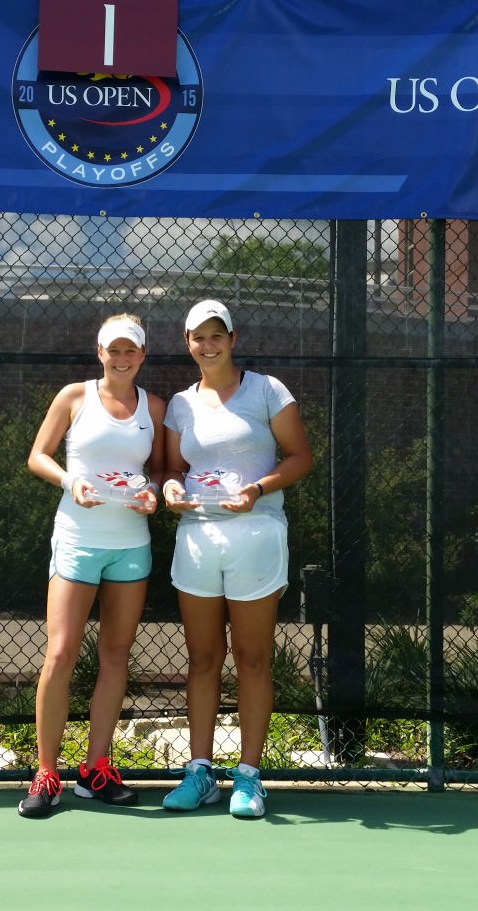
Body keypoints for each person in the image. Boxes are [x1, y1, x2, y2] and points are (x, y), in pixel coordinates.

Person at [161, 299, 313, 819]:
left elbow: (300, 456)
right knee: (202, 660)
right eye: (198, 338)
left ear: (232, 337)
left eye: (216, 335)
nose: (208, 345)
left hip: (257, 534)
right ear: (188, 344)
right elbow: (170, 469)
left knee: (252, 659)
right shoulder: (181, 404)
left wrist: (258, 489)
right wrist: (173, 488)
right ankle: (199, 772)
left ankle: (249, 777)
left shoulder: (268, 390)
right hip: (198, 538)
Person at [18, 313, 165, 818]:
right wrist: (68, 482)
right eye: (113, 350)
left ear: (142, 355)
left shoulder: (156, 407)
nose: (122, 358)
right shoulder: (73, 397)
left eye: (131, 351)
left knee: (116, 655)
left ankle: (95, 769)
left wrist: (153, 494)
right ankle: (46, 773)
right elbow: (38, 455)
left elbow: (163, 471)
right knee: (59, 654)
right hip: (78, 541)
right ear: (99, 352)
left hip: (131, 547)